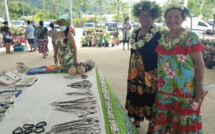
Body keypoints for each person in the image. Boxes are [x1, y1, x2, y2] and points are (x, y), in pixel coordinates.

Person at [148, 3, 205, 134]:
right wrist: (155, 81)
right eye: (169, 16)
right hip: (165, 90)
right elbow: (158, 63)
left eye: (176, 16)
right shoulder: (162, 38)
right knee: (165, 121)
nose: (172, 20)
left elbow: (200, 64)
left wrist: (199, 86)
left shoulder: (191, 38)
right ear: (165, 18)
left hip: (184, 91)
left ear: (183, 18)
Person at [125, 1, 161, 131]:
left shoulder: (157, 33)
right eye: (142, 14)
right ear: (138, 16)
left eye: (148, 15)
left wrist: (156, 78)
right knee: (135, 93)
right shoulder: (135, 32)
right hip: (134, 71)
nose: (144, 17)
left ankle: (152, 125)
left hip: (149, 71)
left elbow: (158, 56)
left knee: (149, 96)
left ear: (153, 17)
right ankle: (136, 119)